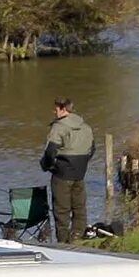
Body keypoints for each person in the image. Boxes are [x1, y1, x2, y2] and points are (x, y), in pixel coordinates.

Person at [39, 98, 95, 242]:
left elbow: (50, 152)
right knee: (79, 207)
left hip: (62, 174)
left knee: (61, 210)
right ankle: (77, 237)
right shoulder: (86, 127)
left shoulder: (59, 127)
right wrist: (82, 164)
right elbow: (92, 149)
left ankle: (63, 242)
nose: (54, 112)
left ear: (64, 109)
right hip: (80, 173)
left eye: (56, 109)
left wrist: (48, 166)